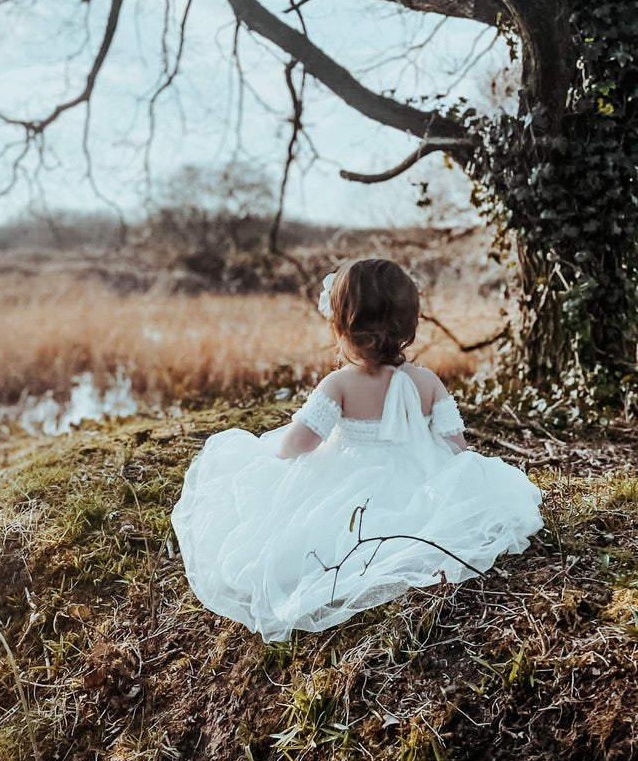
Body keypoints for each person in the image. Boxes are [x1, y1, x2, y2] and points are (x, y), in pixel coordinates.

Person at [171, 259, 543, 643]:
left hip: (350, 487)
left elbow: (297, 444)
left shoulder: (340, 385)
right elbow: (456, 447)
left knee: (303, 528)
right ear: (409, 324)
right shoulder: (428, 382)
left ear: (342, 326)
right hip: (419, 481)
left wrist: (274, 457)